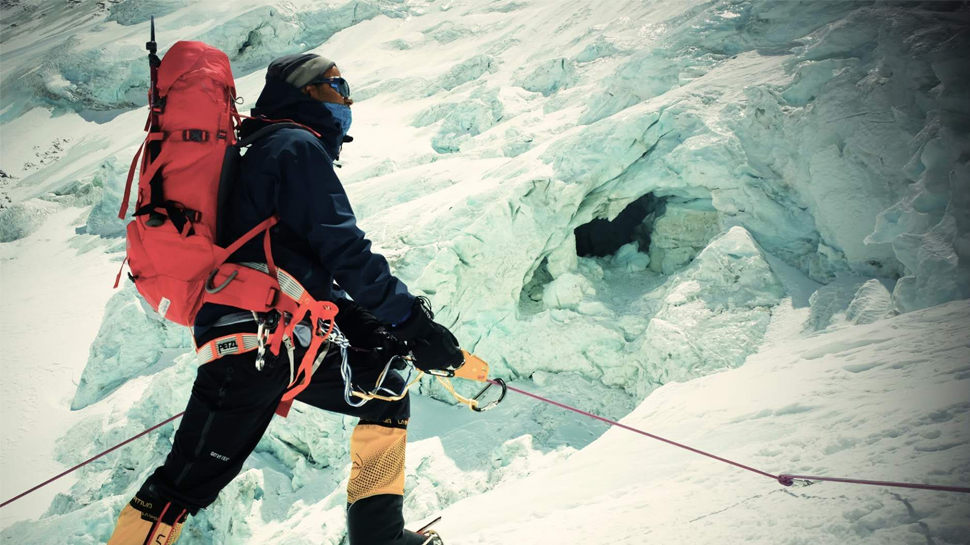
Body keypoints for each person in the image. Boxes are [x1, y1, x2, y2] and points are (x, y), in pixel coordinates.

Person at [106, 53, 462, 545]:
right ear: (308, 91)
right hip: (255, 345)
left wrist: (363, 323)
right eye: (339, 86)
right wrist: (411, 324)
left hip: (276, 340)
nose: (348, 100)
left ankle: (380, 539)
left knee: (384, 389)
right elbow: (344, 248)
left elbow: (293, 258)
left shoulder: (257, 151)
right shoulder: (294, 146)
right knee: (182, 486)